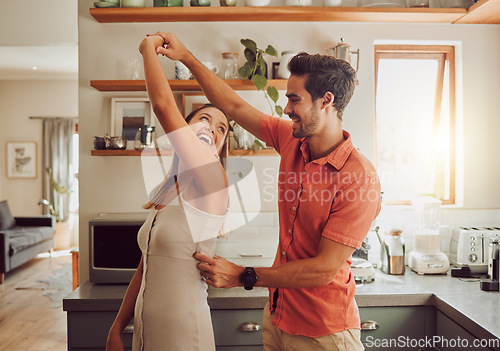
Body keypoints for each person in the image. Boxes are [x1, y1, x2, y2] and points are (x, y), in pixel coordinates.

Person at [154, 32, 381, 351]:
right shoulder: (292, 139)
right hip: (277, 317)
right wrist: (187, 58)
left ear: (326, 101)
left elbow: (324, 268)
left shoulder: (359, 177)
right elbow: (231, 104)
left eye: (295, 99)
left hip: (325, 332)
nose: (287, 109)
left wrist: (243, 275)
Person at [105, 34, 229, 351]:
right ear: (185, 130)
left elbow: (162, 105)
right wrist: (118, 327)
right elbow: (145, 266)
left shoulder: (214, 180)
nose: (212, 129)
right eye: (204, 119)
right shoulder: (167, 191)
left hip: (185, 334)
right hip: (146, 333)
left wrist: (148, 47)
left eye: (221, 128)